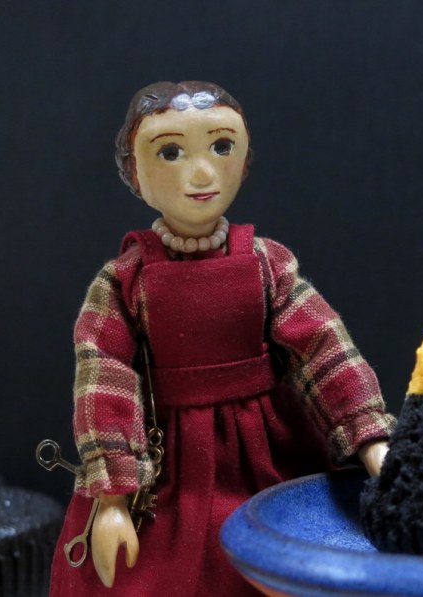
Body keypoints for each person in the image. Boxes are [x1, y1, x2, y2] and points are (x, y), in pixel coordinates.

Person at [50, 81, 395, 596]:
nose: (202, 173)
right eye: (170, 152)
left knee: (284, 560)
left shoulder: (268, 265)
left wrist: (371, 438)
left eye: (221, 146)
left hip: (269, 455)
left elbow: (323, 349)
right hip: (169, 467)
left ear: (244, 158)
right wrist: (115, 496)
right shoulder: (123, 282)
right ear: (134, 172)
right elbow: (104, 379)